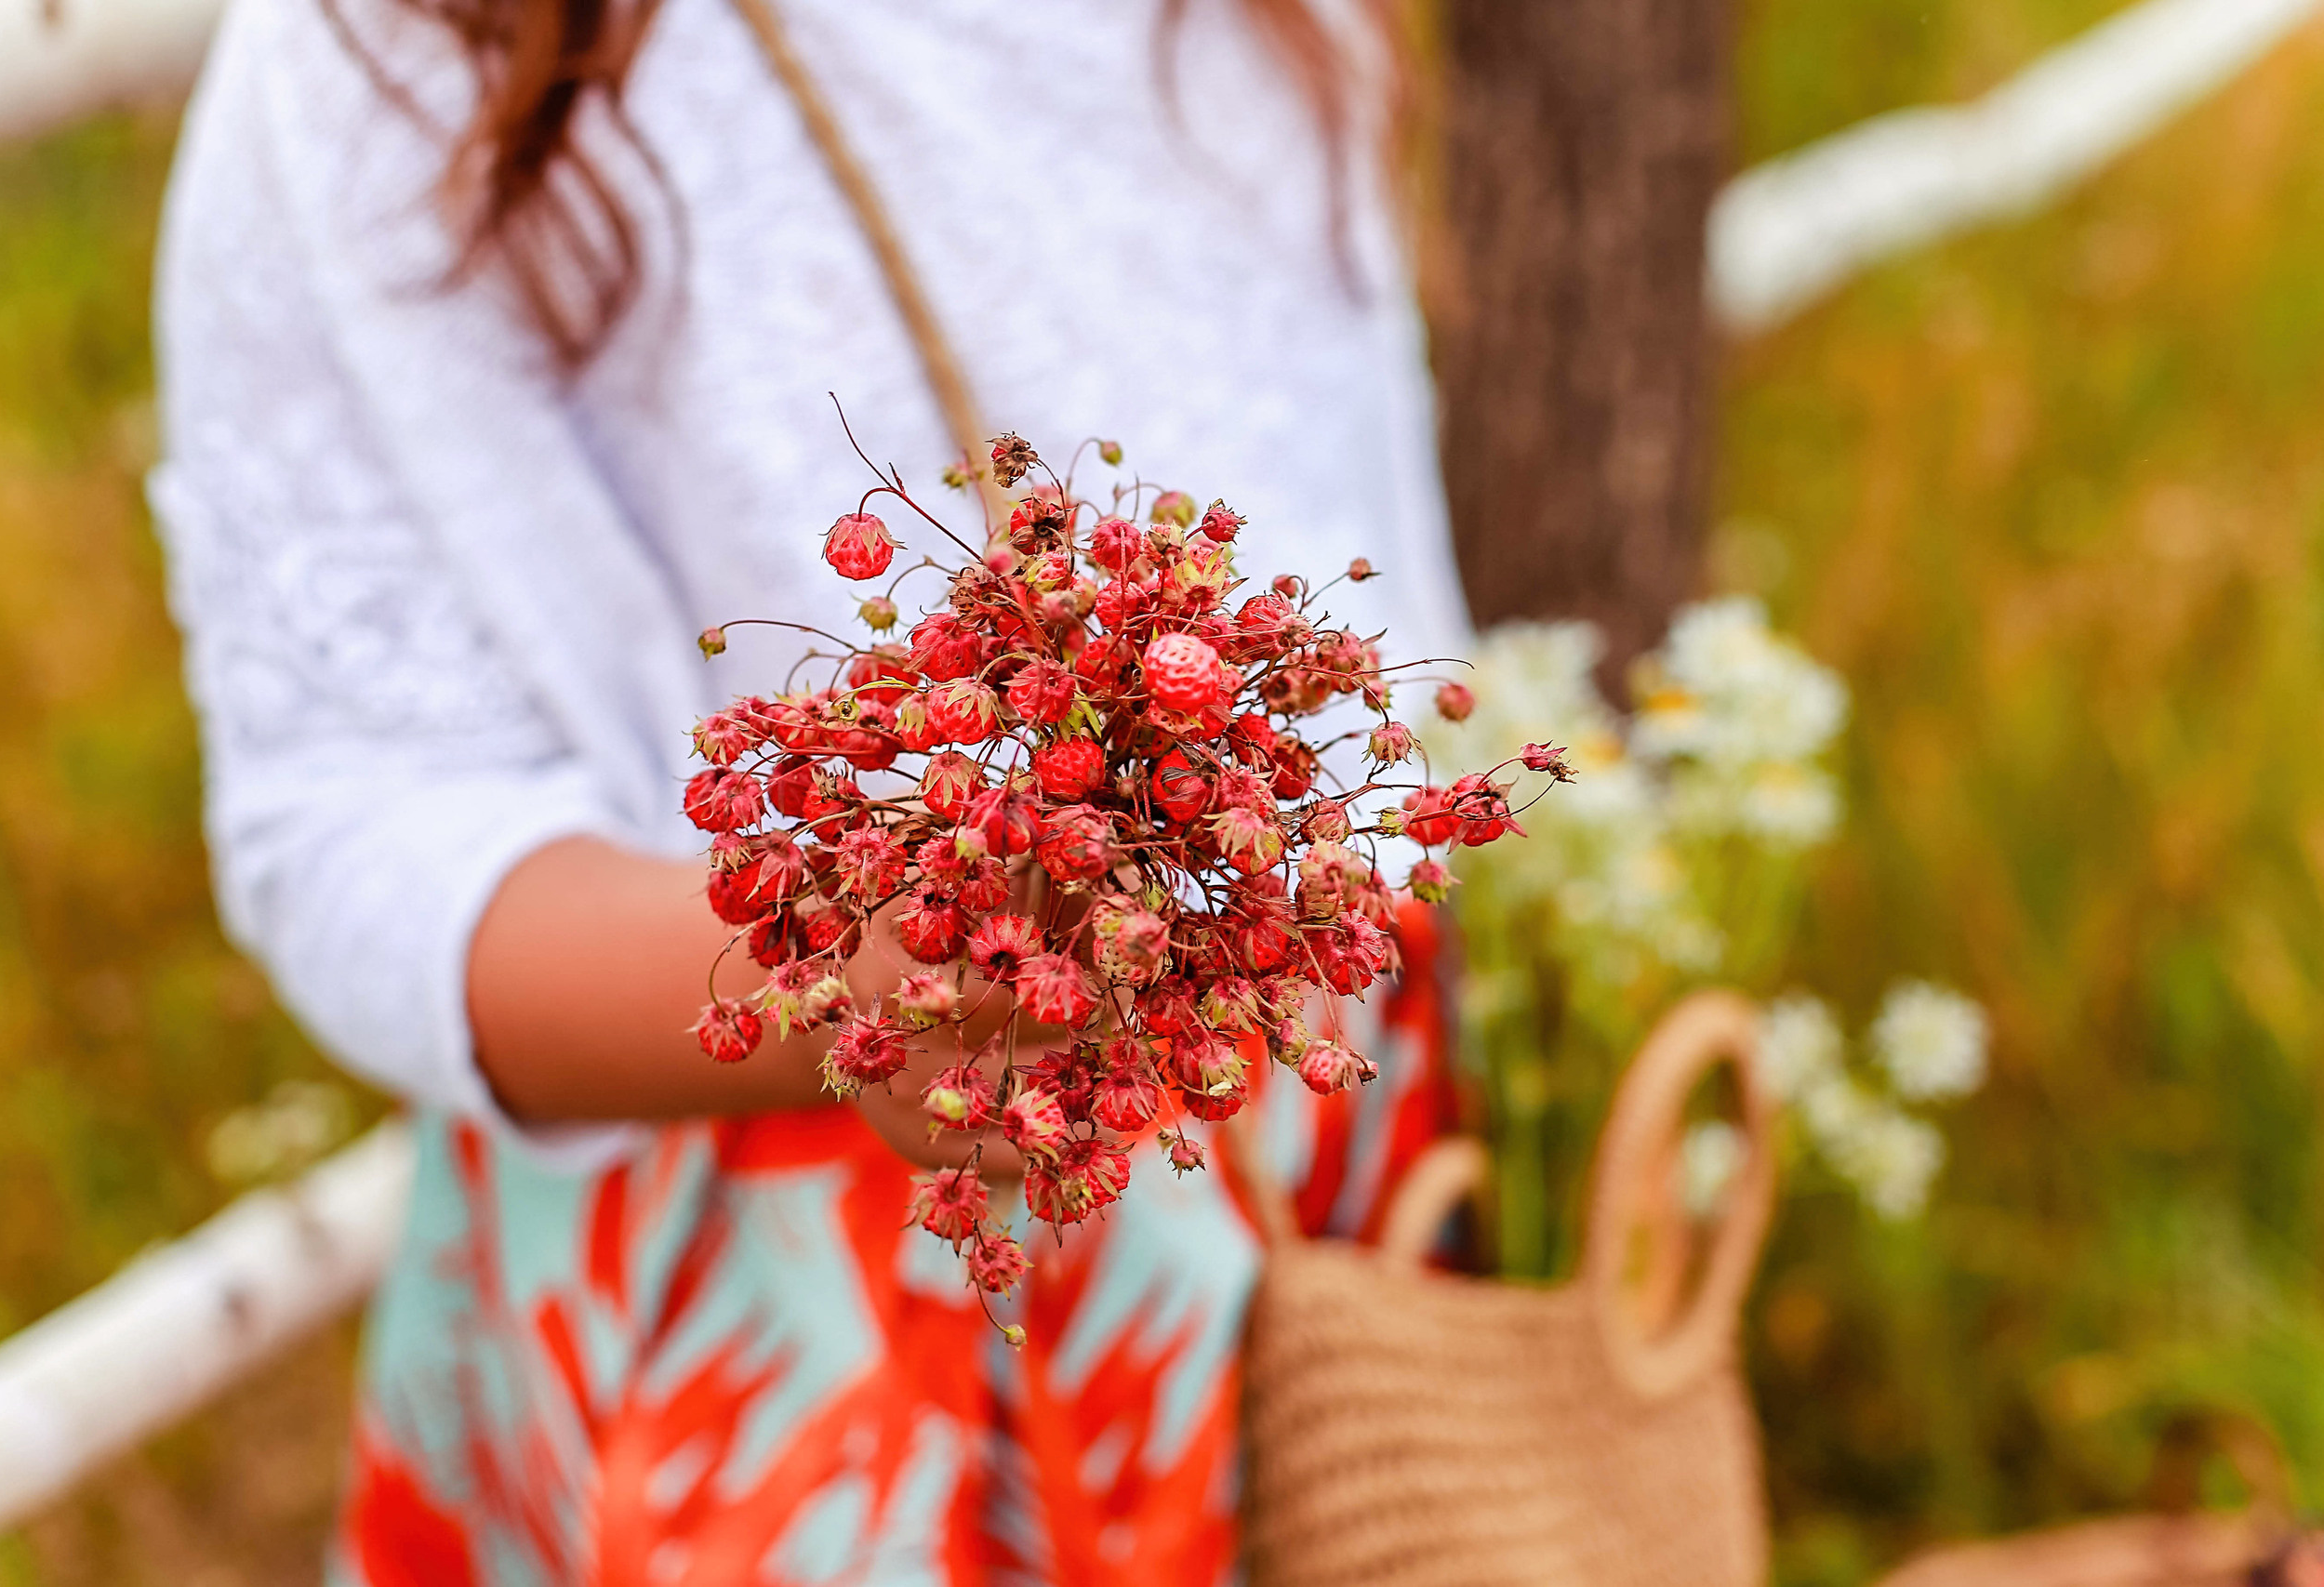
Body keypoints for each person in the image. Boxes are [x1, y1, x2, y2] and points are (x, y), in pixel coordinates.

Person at [150, 0, 1472, 1579]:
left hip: (1321, 1191)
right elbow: (354, 818)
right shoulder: (397, 55)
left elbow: (1371, 571)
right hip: (784, 1309)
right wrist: (857, 991)